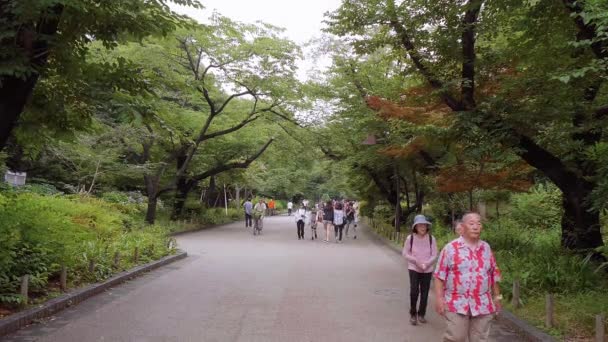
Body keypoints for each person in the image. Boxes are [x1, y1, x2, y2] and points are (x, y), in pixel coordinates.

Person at [434, 212, 502, 342]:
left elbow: (494, 274)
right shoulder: (450, 249)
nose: (476, 226)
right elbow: (439, 276)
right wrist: (439, 298)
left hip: (482, 303)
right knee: (455, 337)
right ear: (463, 227)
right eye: (471, 223)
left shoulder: (486, 248)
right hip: (456, 302)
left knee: (480, 339)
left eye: (478, 223)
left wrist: (497, 297)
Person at [403, 214, 438, 325]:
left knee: (425, 292)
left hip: (427, 269)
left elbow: (434, 254)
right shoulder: (410, 238)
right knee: (414, 291)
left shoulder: (432, 239)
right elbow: (405, 253)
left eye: (424, 225)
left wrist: (427, 264)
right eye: (420, 225)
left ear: (427, 227)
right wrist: (416, 261)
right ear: (415, 227)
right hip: (414, 268)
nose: (422, 227)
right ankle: (413, 314)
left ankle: (422, 314)